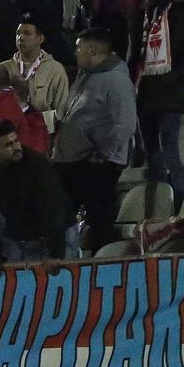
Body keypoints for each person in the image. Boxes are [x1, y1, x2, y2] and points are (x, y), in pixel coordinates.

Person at [54, 29, 137, 250]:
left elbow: (126, 123)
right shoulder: (85, 75)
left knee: (99, 220)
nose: (75, 52)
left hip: (96, 164)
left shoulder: (116, 80)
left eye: (79, 47)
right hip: (72, 161)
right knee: (60, 215)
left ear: (92, 50)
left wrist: (103, 153)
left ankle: (102, 262)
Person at [136, 0, 184, 204]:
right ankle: (161, 206)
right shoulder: (140, 18)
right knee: (152, 157)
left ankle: (182, 204)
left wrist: (169, 79)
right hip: (144, 96)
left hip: (169, 97)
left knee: (169, 152)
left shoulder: (179, 19)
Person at [0, 120, 74, 263]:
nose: (16, 147)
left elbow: (52, 209)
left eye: (16, 141)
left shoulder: (37, 164)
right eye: (8, 145)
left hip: (58, 232)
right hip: (20, 237)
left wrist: (56, 254)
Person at [1, 19, 69, 115]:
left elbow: (61, 109)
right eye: (18, 33)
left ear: (40, 39)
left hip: (43, 123)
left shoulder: (55, 70)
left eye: (27, 33)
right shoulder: (4, 68)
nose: (20, 37)